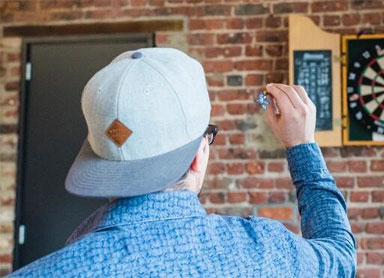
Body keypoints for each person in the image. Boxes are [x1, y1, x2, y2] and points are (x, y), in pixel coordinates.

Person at [9, 48, 356, 277]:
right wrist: (302, 145)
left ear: (100, 164)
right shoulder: (264, 252)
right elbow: (341, 257)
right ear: (196, 157)